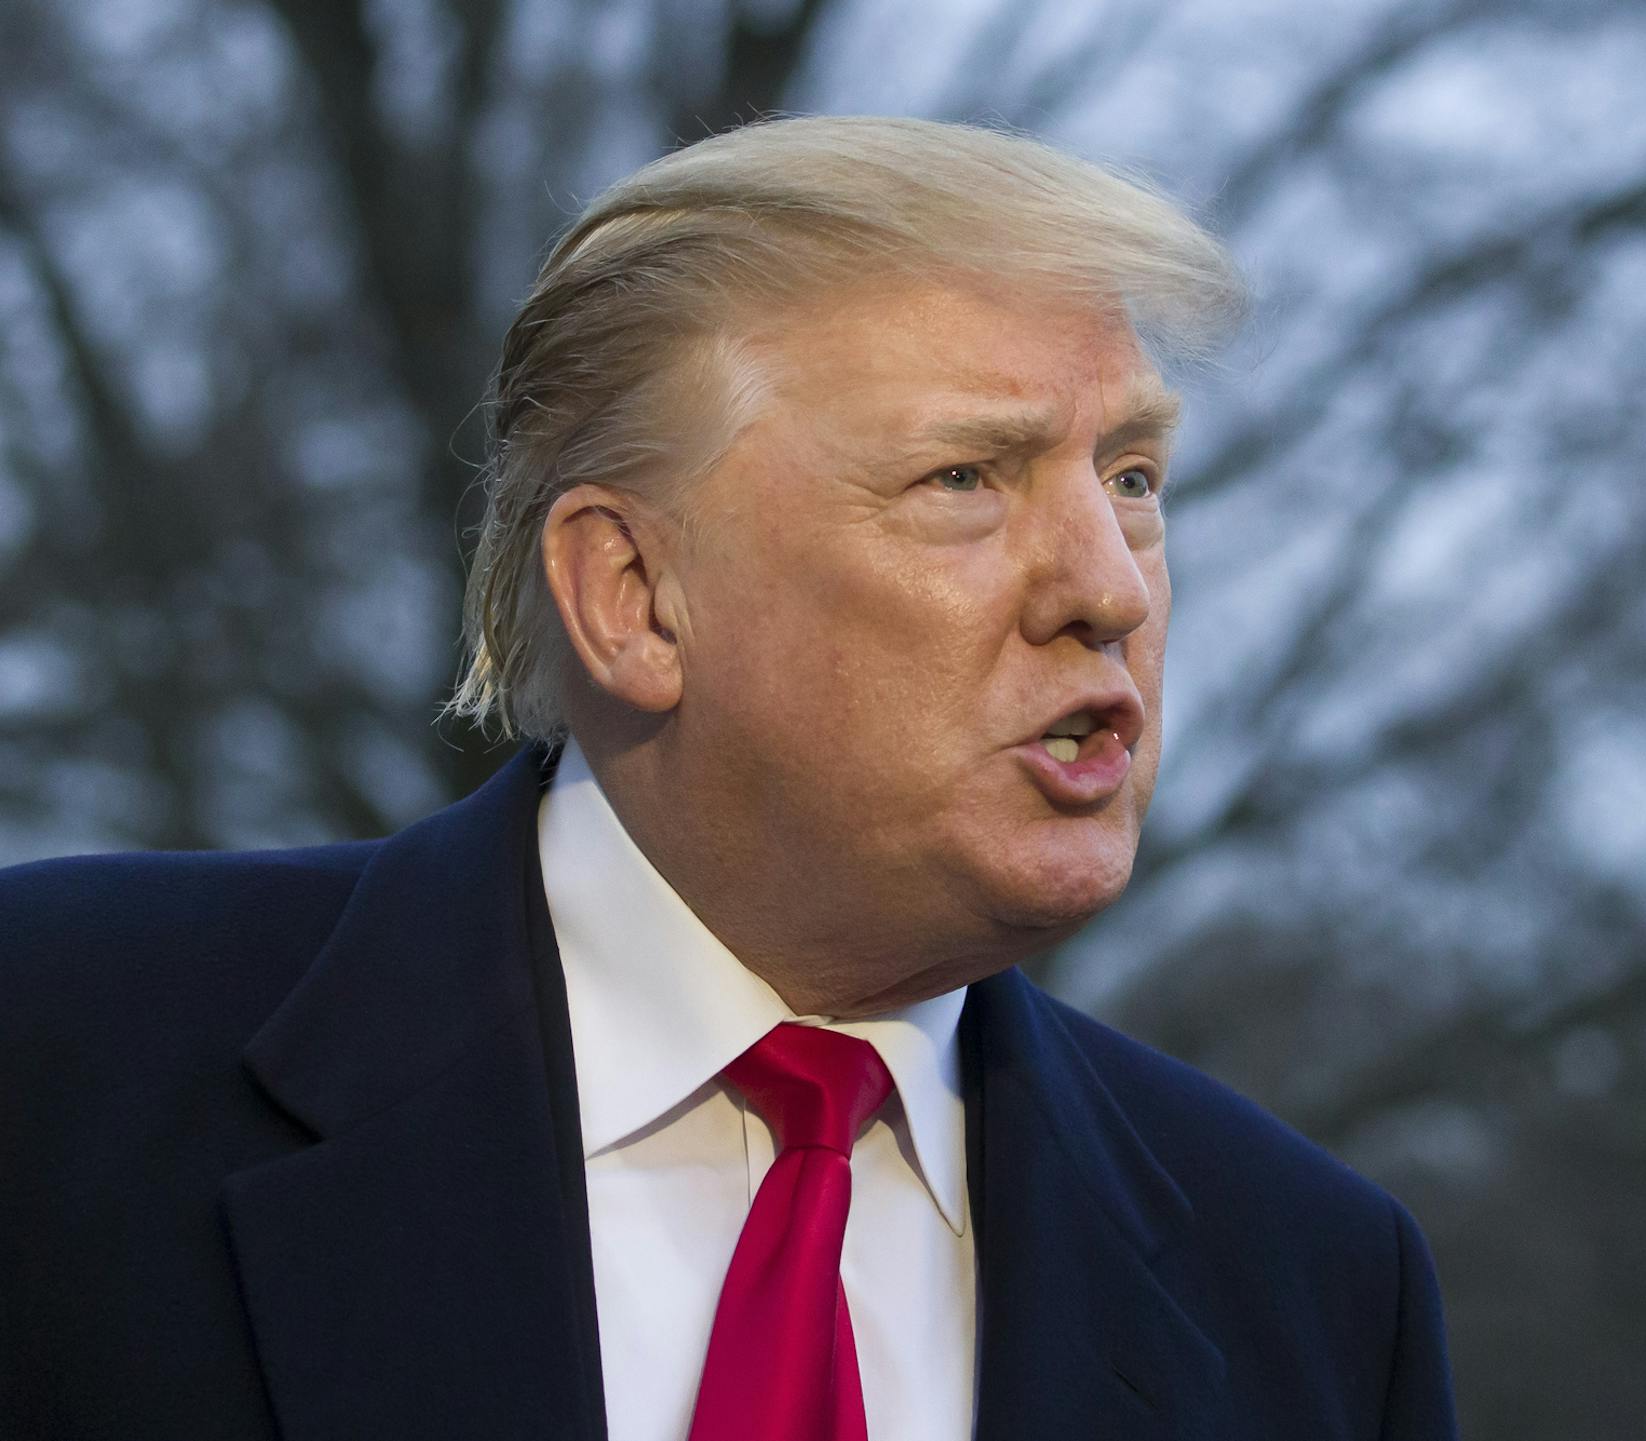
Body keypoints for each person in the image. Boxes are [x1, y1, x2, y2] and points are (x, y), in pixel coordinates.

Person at [0, 116, 1456, 1440]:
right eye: (968, 478)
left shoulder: (1315, 1290)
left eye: (1132, 477)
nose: (1109, 589)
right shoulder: (62, 1051)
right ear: (632, 594)